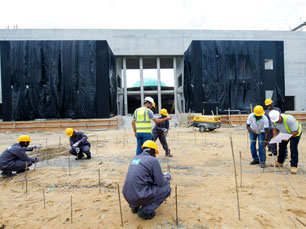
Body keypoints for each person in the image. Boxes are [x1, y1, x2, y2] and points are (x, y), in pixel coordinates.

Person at [122, 140, 171, 220]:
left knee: (140, 184)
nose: (155, 155)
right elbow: (160, 183)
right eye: (155, 153)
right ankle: (145, 211)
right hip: (139, 194)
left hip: (127, 194)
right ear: (152, 151)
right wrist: (167, 179)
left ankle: (134, 207)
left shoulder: (135, 158)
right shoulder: (153, 160)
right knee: (166, 189)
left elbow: (142, 175)